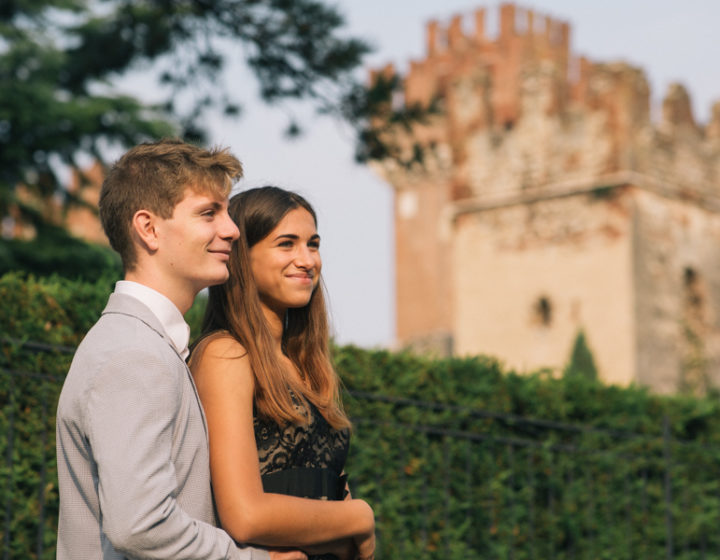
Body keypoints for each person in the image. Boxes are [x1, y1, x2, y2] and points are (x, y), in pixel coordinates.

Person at [55, 140, 305, 560]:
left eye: (226, 211)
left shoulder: (147, 345)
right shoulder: (134, 355)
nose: (231, 229)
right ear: (148, 228)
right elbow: (141, 526)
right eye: (209, 213)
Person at [189, 186, 376, 560]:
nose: (307, 260)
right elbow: (244, 516)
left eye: (313, 244)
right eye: (286, 244)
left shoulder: (304, 365)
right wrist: (358, 516)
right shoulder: (225, 354)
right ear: (242, 257)